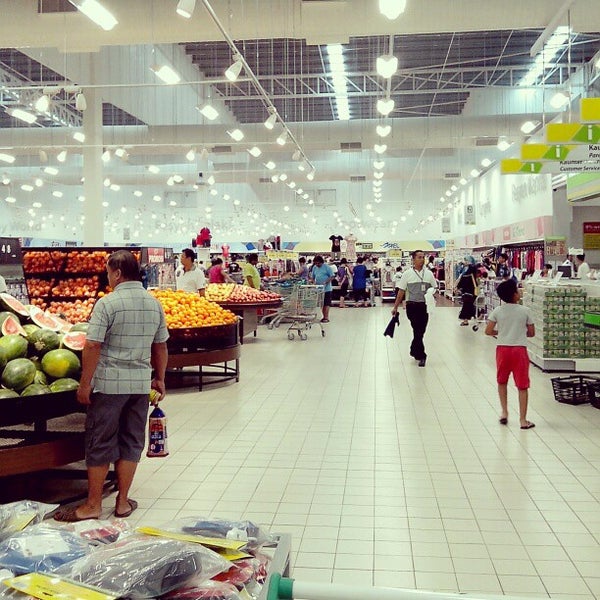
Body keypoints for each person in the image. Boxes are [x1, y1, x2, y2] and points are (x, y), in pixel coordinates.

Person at [54, 250, 169, 522]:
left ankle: (93, 504)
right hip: (140, 386)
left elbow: (92, 345)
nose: (108, 277)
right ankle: (122, 502)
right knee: (132, 441)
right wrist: (160, 378)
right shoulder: (154, 304)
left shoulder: (107, 304)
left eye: (108, 272)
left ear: (117, 273)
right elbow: (161, 345)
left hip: (109, 385)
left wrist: (85, 385)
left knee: (100, 442)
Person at [485, 279, 535, 430]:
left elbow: (488, 331)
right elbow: (532, 333)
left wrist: (501, 332)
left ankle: (504, 412)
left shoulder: (498, 311)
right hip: (519, 350)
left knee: (502, 381)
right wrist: (519, 331)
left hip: (503, 349)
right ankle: (523, 420)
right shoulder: (525, 311)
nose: (520, 291)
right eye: (517, 289)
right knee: (522, 385)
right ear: (514, 294)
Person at [391, 250, 437, 367]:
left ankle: (414, 349)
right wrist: (395, 307)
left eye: (423, 257)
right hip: (411, 306)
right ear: (413, 259)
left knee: (421, 330)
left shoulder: (429, 274)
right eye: (419, 257)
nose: (422, 260)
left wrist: (432, 292)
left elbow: (435, 288)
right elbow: (401, 291)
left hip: (424, 306)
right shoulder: (407, 274)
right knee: (417, 329)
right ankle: (422, 355)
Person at [309, 255, 334, 322]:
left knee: (326, 303)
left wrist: (326, 282)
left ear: (322, 262)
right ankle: (324, 316)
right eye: (316, 263)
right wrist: (313, 282)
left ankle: (326, 317)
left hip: (327, 289)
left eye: (318, 263)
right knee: (321, 304)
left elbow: (332, 276)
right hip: (319, 289)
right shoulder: (314, 267)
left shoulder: (327, 267)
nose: (317, 265)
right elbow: (313, 277)